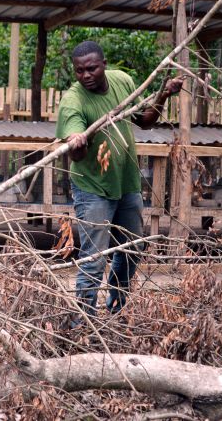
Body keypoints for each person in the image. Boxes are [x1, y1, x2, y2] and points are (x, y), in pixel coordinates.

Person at [55, 41, 182, 316]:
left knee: (132, 249)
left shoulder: (122, 81)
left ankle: (116, 310)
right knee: (93, 259)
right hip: (93, 188)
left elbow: (145, 121)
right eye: (79, 71)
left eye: (91, 69)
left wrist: (163, 94)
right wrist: (78, 141)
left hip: (126, 183)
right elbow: (75, 156)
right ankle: (84, 323)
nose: (85, 75)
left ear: (104, 64)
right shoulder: (73, 101)